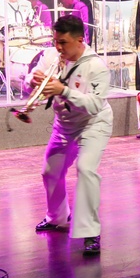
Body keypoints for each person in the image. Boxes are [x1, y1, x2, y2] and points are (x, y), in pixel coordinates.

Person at [30, 15, 113, 256]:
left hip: (92, 124)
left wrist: (63, 90)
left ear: (80, 40)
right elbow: (32, 76)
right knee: (50, 171)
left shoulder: (96, 67)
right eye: (56, 41)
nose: (58, 47)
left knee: (86, 169)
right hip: (64, 124)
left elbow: (94, 105)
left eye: (63, 42)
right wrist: (32, 82)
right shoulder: (51, 56)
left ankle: (90, 232)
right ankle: (57, 218)